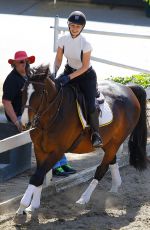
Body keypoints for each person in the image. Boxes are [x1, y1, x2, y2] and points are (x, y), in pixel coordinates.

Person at [53, 10, 103, 148]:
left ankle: (95, 134)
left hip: (86, 76)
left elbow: (85, 66)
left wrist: (68, 78)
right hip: (69, 71)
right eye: (72, 25)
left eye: (78, 26)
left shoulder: (85, 44)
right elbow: (58, 59)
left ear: (82, 28)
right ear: (68, 25)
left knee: (90, 104)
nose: (74, 28)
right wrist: (54, 72)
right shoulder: (62, 40)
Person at [2, 50, 35, 131]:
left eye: (26, 61)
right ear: (14, 64)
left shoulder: (29, 75)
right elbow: (6, 102)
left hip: (31, 114)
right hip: (20, 117)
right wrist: (16, 122)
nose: (25, 63)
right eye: (21, 61)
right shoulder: (12, 80)